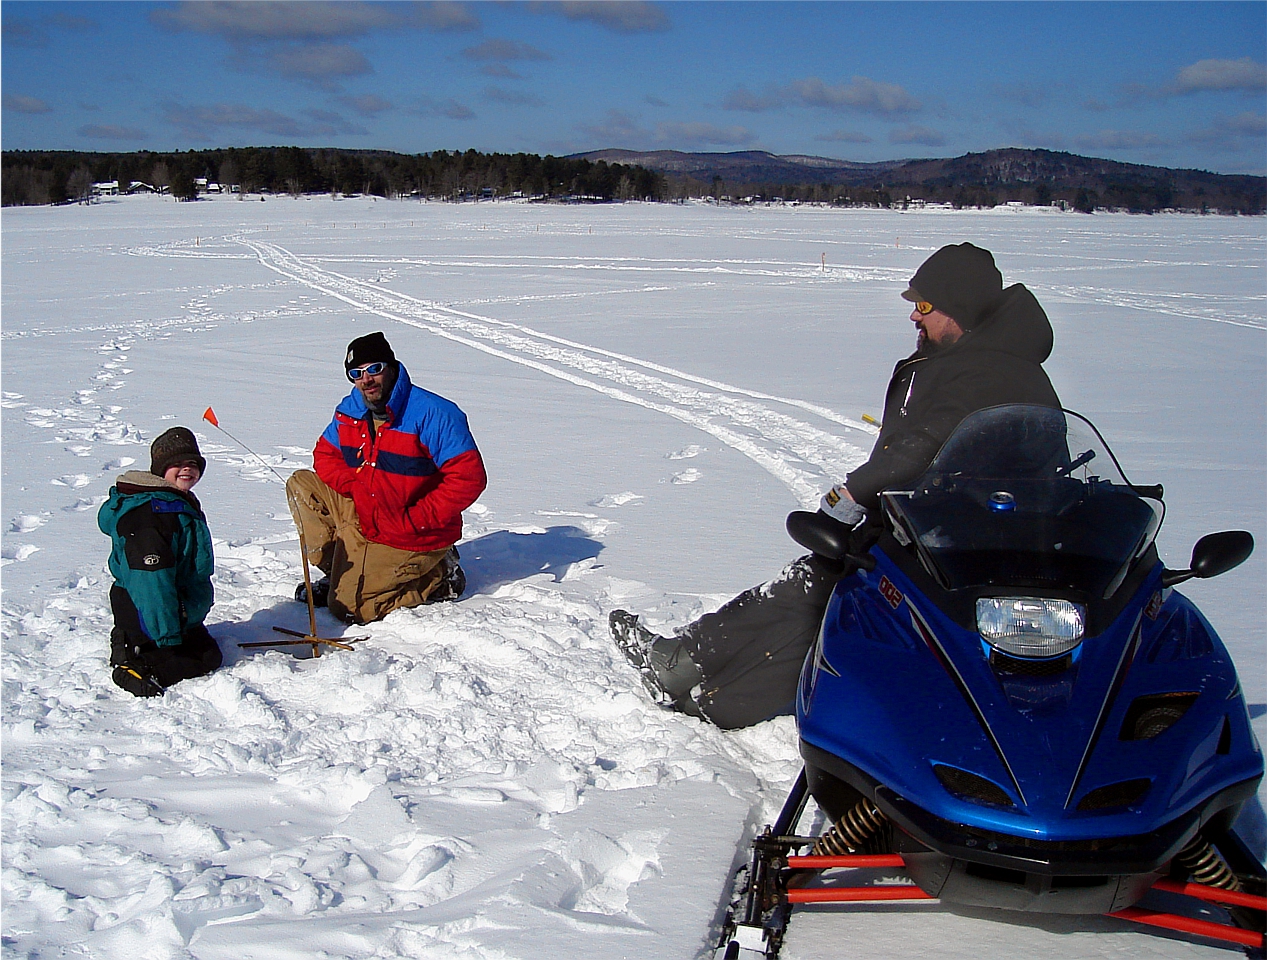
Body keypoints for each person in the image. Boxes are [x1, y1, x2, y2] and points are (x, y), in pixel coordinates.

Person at [610, 242, 1062, 729]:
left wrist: (846, 501)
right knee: (832, 596)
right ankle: (707, 682)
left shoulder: (984, 367)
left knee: (826, 586)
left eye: (925, 306)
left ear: (961, 308)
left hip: (955, 543)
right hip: (956, 530)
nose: (914, 316)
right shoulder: (997, 358)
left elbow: (923, 445)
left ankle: (687, 669)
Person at [287, 331, 487, 625]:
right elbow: (325, 456)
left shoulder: (433, 413)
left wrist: (416, 519)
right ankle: (342, 573)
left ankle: (438, 579)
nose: (366, 380)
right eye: (356, 373)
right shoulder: (351, 411)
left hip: (411, 531)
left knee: (349, 608)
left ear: (391, 367)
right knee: (301, 485)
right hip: (370, 512)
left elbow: (468, 478)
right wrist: (358, 487)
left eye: (374, 369)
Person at [98, 427, 222, 698]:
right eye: (177, 464)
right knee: (206, 658)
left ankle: (130, 639)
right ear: (160, 470)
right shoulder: (152, 515)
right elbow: (151, 582)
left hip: (169, 607)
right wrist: (167, 637)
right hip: (149, 609)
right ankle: (136, 665)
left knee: (207, 648)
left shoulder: (174, 502)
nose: (186, 470)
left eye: (192, 464)